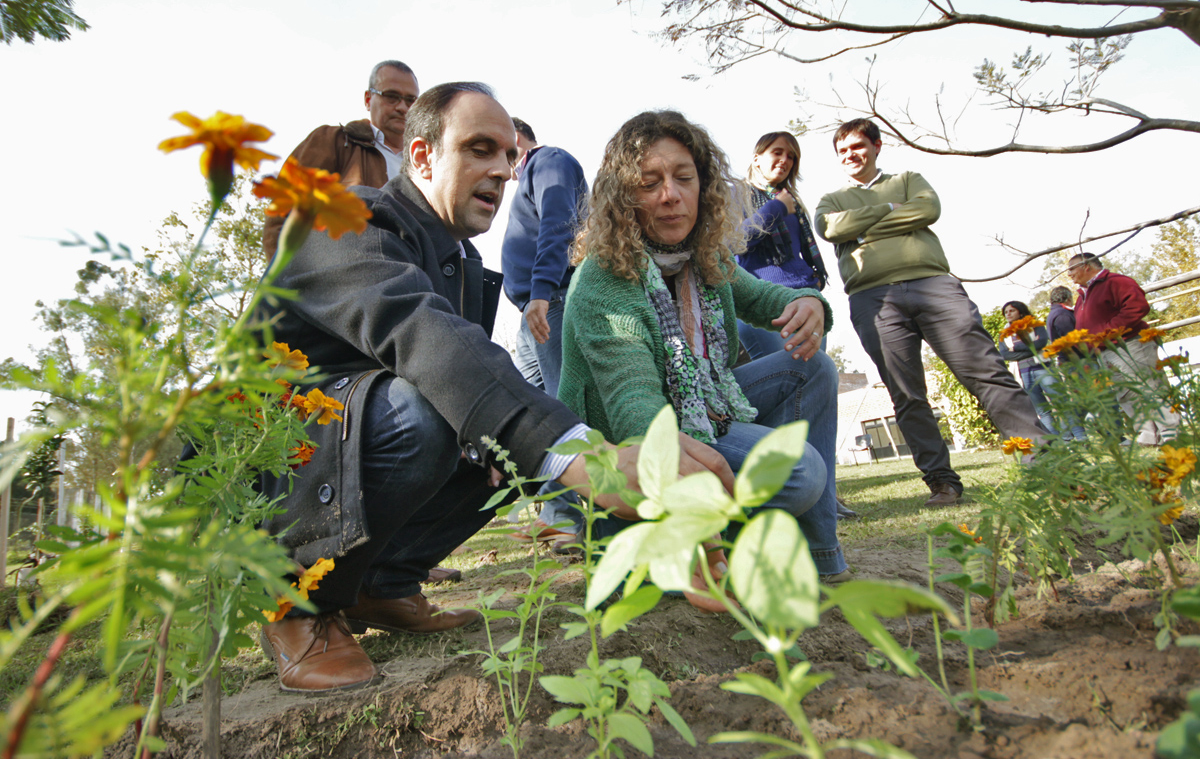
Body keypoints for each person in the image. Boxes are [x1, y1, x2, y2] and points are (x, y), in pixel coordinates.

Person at [255, 84, 734, 692]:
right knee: (444, 410)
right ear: (423, 156)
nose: (503, 171)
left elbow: (470, 375)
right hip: (266, 464)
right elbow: (420, 335)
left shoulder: (462, 268)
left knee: (499, 449)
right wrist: (589, 457)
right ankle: (295, 603)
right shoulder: (341, 218)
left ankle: (383, 584)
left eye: (508, 155)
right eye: (479, 149)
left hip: (341, 447)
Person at [558, 109, 849, 602]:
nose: (670, 195)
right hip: (622, 445)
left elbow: (764, 298)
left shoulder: (704, 257)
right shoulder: (602, 279)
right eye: (648, 183)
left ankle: (819, 556)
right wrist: (679, 469)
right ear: (623, 199)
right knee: (800, 472)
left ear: (704, 187)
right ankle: (697, 550)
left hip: (698, 407)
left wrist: (807, 302)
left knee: (812, 366)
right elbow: (634, 405)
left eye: (684, 178)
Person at [814, 118, 1048, 508]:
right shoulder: (832, 199)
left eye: (857, 146)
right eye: (843, 151)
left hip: (933, 284)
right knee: (906, 393)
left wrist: (866, 227)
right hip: (874, 298)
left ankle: (1044, 460)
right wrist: (892, 212)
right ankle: (942, 482)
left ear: (876, 146)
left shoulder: (908, 179)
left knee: (986, 371)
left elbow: (928, 209)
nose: (850, 155)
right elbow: (831, 228)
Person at [500, 118, 589, 548]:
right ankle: (554, 509)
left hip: (550, 301)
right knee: (532, 412)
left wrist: (541, 289)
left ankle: (567, 520)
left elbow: (559, 224)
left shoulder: (548, 161)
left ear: (515, 138)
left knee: (559, 406)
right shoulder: (526, 177)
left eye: (498, 147)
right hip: (532, 308)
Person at [262, 60, 420, 259]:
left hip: (417, 279)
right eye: (391, 96)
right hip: (347, 276)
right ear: (368, 99)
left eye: (411, 100)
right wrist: (287, 280)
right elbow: (284, 211)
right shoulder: (334, 142)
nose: (402, 107)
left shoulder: (426, 165)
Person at [1067, 252, 1180, 446]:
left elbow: (1137, 307)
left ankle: (1169, 432)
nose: (1069, 274)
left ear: (1086, 266)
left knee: (1149, 386)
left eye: (1071, 269)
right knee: (1126, 392)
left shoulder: (1115, 282)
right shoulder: (1082, 296)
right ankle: (1147, 434)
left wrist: (1107, 332)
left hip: (1130, 344)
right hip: (1103, 350)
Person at [735, 131, 830, 359]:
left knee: (814, 372)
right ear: (756, 158)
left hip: (806, 297)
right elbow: (734, 242)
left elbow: (803, 249)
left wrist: (814, 278)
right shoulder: (735, 194)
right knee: (784, 373)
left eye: (791, 157)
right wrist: (776, 209)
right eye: (777, 152)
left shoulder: (792, 201)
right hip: (762, 301)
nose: (785, 160)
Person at [996, 300, 1056, 435]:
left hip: (1043, 368)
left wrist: (1015, 348)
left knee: (1059, 401)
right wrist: (1031, 347)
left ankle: (1079, 436)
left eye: (1011, 311)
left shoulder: (1035, 325)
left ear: (1020, 311)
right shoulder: (1004, 333)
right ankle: (1057, 440)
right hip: (1023, 373)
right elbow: (1004, 354)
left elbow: (1041, 343)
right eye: (1006, 312)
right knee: (1042, 410)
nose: (1008, 314)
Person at [1044, 285, 1088, 441]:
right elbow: (1072, 340)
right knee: (1085, 398)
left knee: (1082, 397)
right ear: (1068, 298)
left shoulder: (1054, 313)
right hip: (1075, 360)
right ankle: (1070, 431)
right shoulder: (1062, 315)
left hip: (1069, 360)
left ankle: (1067, 432)